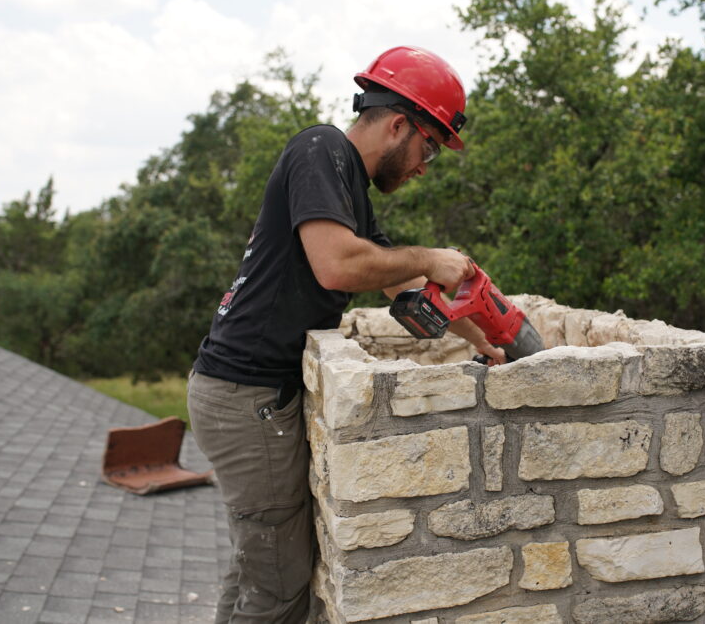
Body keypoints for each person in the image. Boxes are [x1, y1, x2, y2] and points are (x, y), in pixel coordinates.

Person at [186, 45, 506, 623]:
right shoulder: (320, 149)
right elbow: (339, 265)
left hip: (246, 396)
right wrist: (432, 258)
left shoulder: (348, 186)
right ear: (400, 124)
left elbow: (396, 279)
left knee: (258, 568)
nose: (424, 166)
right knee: (280, 587)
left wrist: (481, 340)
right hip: (247, 397)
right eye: (428, 146)